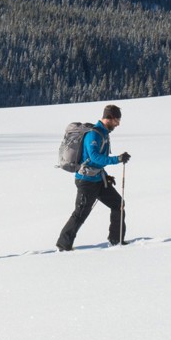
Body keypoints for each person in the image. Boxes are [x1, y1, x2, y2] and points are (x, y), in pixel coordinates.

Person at [56, 104, 132, 251]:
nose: (118, 124)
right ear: (109, 118)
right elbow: (95, 157)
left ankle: (117, 240)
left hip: (98, 179)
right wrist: (117, 159)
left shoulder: (103, 133)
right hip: (86, 182)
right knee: (80, 214)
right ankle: (63, 245)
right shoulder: (94, 134)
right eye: (117, 120)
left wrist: (105, 175)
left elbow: (96, 161)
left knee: (118, 205)